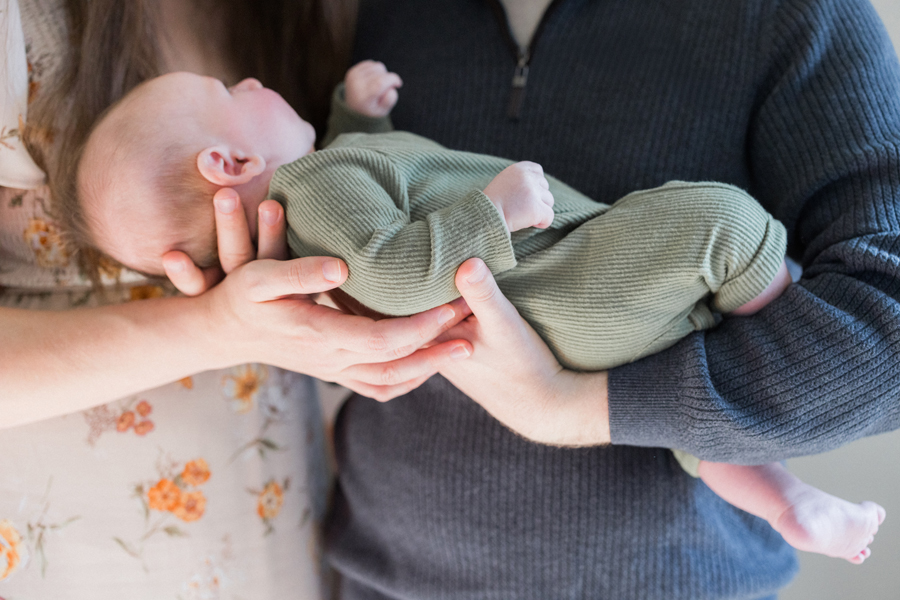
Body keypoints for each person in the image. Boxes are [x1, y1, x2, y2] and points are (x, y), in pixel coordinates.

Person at [71, 62, 881, 564]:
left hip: (572, 310)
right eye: (226, 93)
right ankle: (779, 304)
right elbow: (390, 271)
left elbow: (392, 189)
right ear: (230, 161)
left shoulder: (322, 183)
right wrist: (491, 213)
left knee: (683, 384)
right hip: (560, 285)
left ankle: (787, 504)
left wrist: (359, 114)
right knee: (721, 224)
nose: (248, 81)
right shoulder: (311, 186)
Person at [311, 0, 900, 598]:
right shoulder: (362, 17)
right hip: (387, 576)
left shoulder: (790, 15)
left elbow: (889, 317)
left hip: (676, 581)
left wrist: (579, 406)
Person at [0, 0, 474, 597]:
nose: (250, 86)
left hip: (283, 514)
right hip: (88, 541)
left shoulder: (299, 14)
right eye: (227, 91)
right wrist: (217, 328)